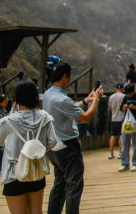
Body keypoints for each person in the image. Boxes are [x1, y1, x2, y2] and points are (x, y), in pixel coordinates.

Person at [43, 62, 103, 214]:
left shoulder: (49, 94)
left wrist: (85, 101)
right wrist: (96, 100)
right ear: (65, 76)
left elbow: (67, 109)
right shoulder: (62, 99)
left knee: (59, 185)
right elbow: (86, 118)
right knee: (74, 187)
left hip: (54, 147)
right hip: (68, 148)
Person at [0, 80, 60, 214]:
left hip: (14, 172)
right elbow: (52, 141)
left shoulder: (9, 121)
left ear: (16, 98)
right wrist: (36, 150)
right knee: (36, 211)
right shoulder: (45, 117)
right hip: (36, 169)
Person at [119, 83, 136, 171]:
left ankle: (135, 163)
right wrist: (125, 107)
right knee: (124, 144)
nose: (129, 95)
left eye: (130, 93)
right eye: (127, 93)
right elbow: (121, 108)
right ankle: (125, 163)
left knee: (135, 145)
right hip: (127, 124)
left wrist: (134, 107)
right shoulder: (126, 97)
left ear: (134, 91)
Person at [107, 83, 125, 159]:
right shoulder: (124, 96)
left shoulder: (111, 97)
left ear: (116, 89)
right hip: (122, 118)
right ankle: (120, 153)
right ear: (122, 88)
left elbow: (110, 108)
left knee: (113, 135)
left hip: (114, 118)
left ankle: (111, 153)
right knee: (121, 135)